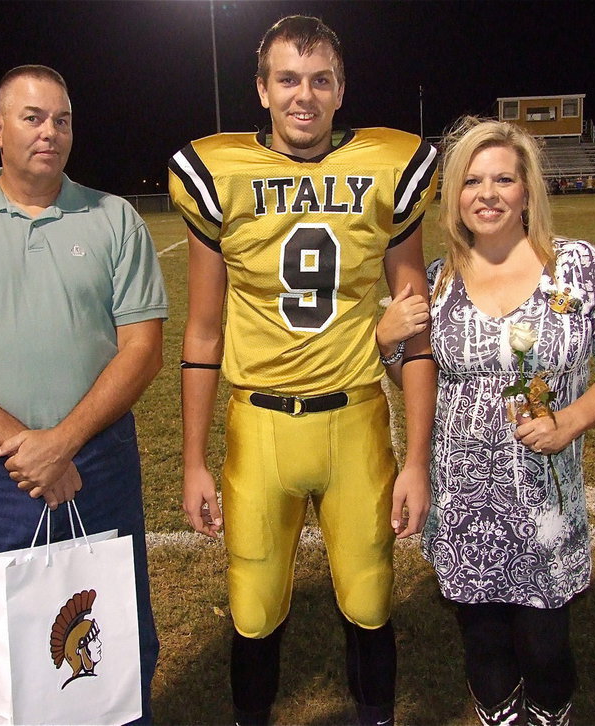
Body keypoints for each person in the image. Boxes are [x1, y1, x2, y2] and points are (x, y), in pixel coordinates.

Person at [168, 15, 438, 726]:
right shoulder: (218, 173)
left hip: (356, 416)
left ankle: (374, 716)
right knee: (253, 604)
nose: (304, 96)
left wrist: (417, 459)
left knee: (371, 596)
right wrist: (193, 459)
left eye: (320, 80)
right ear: (261, 88)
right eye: (288, 79)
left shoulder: (388, 164)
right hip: (259, 420)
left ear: (342, 89)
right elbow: (202, 329)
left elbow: (416, 324)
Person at [0, 65, 167, 725]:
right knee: (7, 645)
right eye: (32, 117)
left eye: (62, 119)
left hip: (98, 461)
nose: (50, 132)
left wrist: (63, 442)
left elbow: (144, 350)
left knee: (119, 633)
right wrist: (29, 448)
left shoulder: (114, 219)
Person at [422, 117, 595, 725]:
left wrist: (571, 419)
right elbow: (423, 381)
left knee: (546, 649)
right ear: (455, 195)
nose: (486, 194)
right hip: (463, 505)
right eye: (471, 181)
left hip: (544, 507)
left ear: (527, 190)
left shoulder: (577, 266)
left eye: (503, 179)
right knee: (484, 647)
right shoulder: (439, 281)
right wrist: (392, 348)